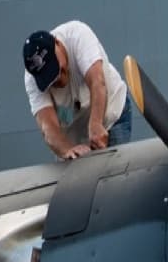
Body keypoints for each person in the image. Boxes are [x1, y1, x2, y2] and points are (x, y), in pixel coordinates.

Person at [22, 21, 131, 160]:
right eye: (51, 80)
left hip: (111, 113)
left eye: (59, 70)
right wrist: (66, 150)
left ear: (58, 43)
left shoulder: (78, 35)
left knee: (114, 174)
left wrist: (96, 124)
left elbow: (97, 82)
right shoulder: (31, 79)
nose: (59, 80)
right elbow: (48, 126)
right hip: (73, 135)